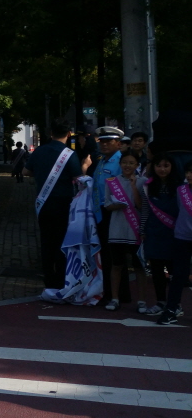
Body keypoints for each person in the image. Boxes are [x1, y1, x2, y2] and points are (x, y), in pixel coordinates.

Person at [24, 122, 83, 289]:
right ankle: (61, 279)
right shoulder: (70, 154)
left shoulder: (39, 151)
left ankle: (49, 280)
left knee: (46, 242)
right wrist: (85, 167)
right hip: (63, 203)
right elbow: (78, 177)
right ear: (69, 134)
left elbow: (25, 171)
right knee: (62, 241)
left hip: (43, 203)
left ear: (51, 133)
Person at [102, 152, 147, 312]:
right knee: (116, 265)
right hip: (117, 230)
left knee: (139, 266)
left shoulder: (143, 182)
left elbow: (142, 206)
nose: (127, 165)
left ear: (137, 165)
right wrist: (118, 206)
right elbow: (107, 205)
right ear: (120, 164)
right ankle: (115, 298)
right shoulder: (111, 182)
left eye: (131, 163)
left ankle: (142, 300)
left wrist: (134, 187)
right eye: (125, 162)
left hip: (136, 231)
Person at [138, 153, 178, 316]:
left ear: (172, 167)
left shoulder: (180, 187)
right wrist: (142, 229)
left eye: (166, 166)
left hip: (174, 232)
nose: (162, 169)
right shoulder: (148, 186)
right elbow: (145, 210)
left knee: (174, 270)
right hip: (153, 232)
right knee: (156, 269)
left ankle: (175, 304)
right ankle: (160, 302)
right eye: (159, 166)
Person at [90, 126, 125, 302]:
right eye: (102, 141)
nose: (104, 145)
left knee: (114, 256)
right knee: (106, 254)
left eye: (108, 141)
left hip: (114, 212)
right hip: (101, 213)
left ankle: (116, 294)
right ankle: (109, 292)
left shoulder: (120, 162)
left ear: (118, 144)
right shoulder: (102, 161)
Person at [157, 162, 192, 325]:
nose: (189, 175)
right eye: (188, 172)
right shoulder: (181, 190)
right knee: (178, 275)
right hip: (182, 237)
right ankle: (171, 309)